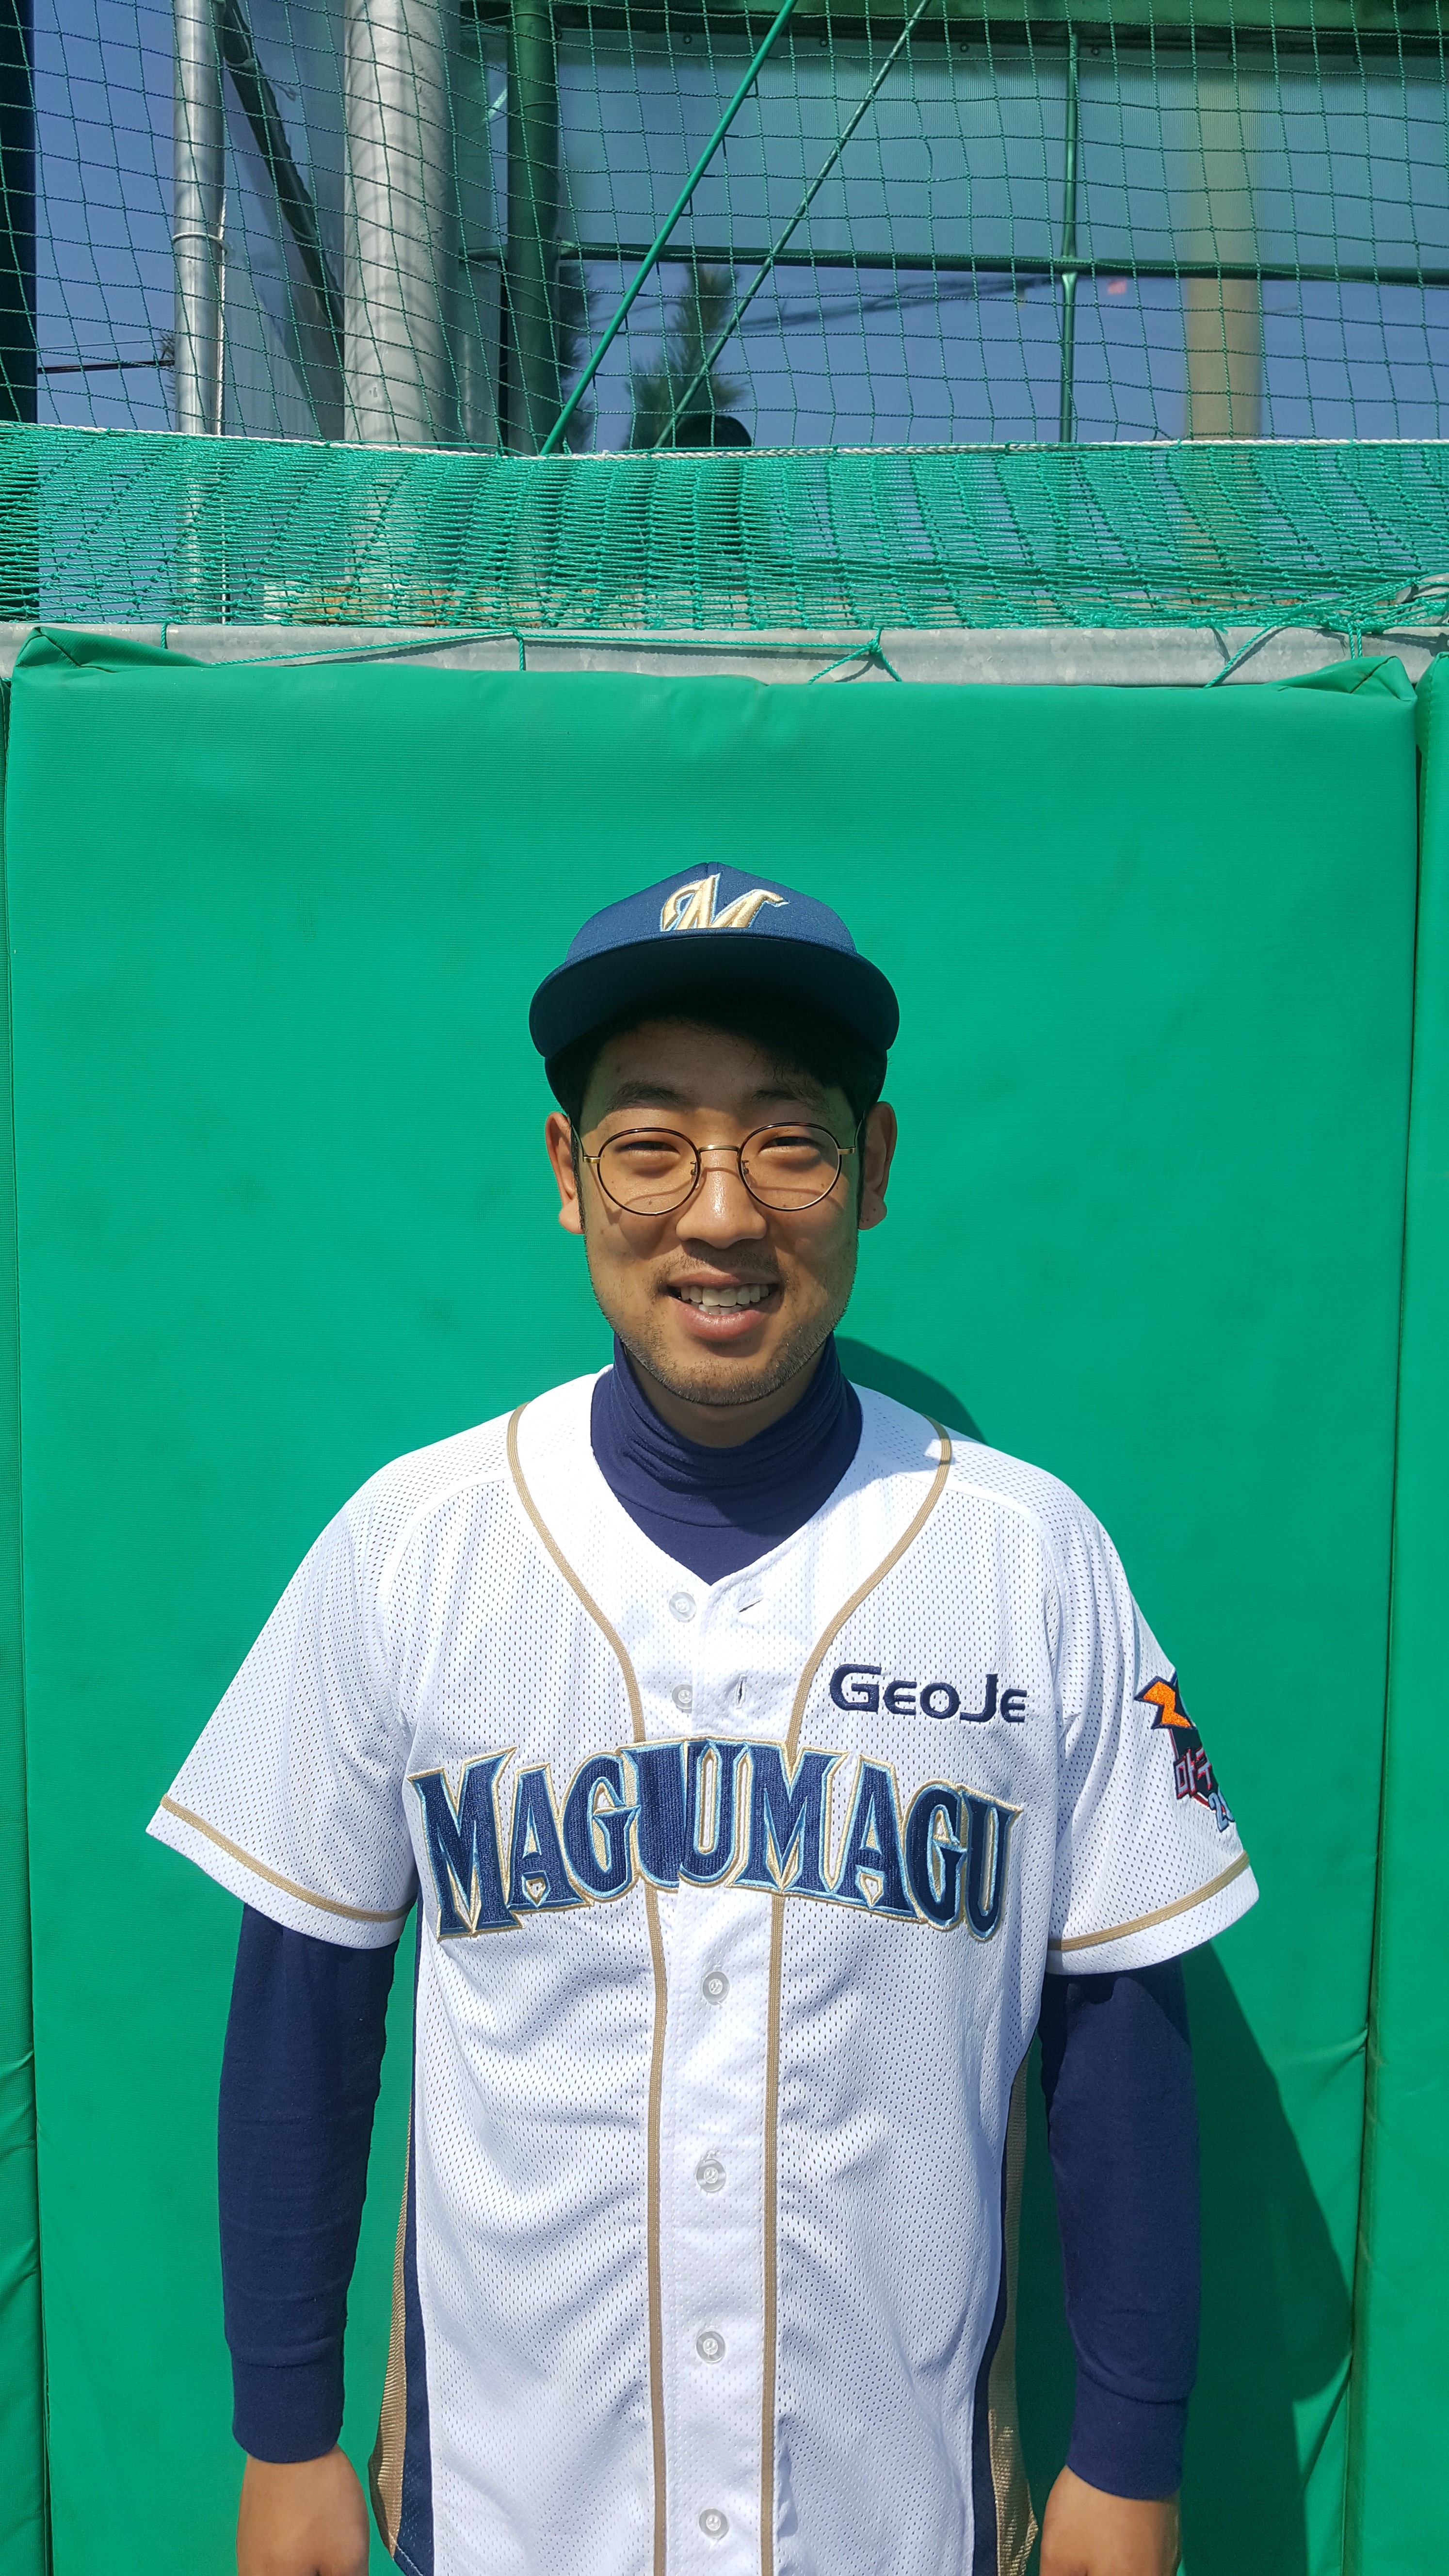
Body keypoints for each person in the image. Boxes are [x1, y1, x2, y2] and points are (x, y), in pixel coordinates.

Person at [150, 866, 1256, 2576]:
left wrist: (1128, 2455)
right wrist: (284, 2430)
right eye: (651, 1144)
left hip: (892, 2515)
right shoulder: (411, 1545)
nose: (721, 1214)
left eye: (787, 1142)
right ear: (566, 1174)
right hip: (510, 2513)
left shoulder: (1028, 1558)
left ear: (871, 1168)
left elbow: (1121, 2031)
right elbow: (304, 2009)